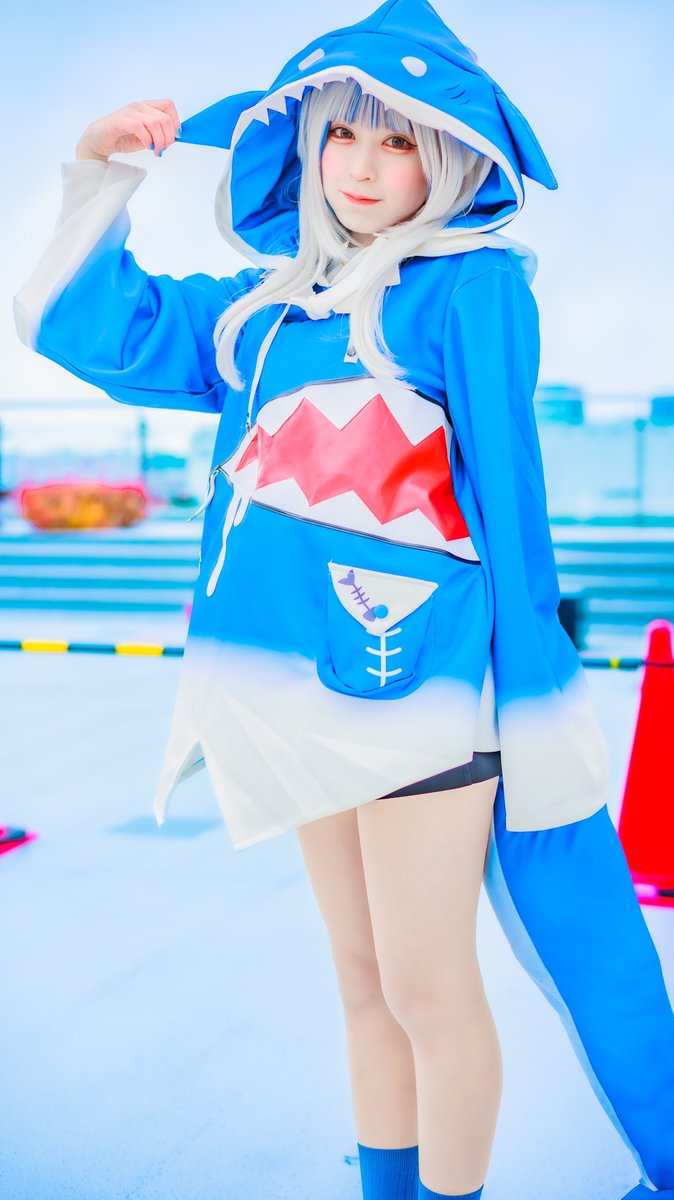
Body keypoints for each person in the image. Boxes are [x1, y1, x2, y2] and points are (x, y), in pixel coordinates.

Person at [14, 1, 674, 1197]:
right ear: (307, 143)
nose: (363, 167)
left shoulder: (469, 290)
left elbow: (509, 497)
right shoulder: (262, 311)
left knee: (429, 991)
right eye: (341, 134)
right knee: (365, 988)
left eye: (399, 140)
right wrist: (100, 172)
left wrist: (534, 699)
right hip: (292, 700)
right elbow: (87, 327)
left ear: (450, 158)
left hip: (421, 694)